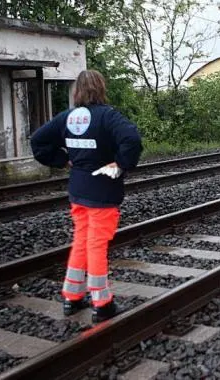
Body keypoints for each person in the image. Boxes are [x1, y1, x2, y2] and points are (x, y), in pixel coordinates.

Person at [30, 70, 143, 323]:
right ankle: (102, 303)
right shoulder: (107, 116)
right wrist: (121, 164)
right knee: (96, 244)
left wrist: (62, 160)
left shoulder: (67, 118)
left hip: (78, 190)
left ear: (77, 91)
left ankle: (72, 297)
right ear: (101, 88)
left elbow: (38, 141)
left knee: (82, 240)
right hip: (102, 191)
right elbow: (132, 139)